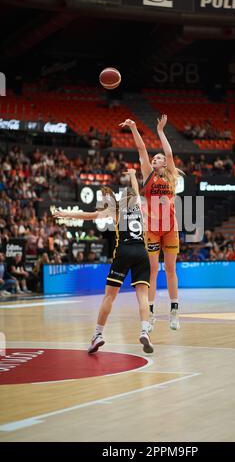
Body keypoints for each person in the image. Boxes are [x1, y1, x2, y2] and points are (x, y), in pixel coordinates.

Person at [53, 169, 153, 354]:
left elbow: (88, 216)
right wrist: (132, 174)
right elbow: (136, 189)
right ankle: (145, 330)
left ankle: (98, 334)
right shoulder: (139, 207)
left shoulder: (115, 210)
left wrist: (66, 213)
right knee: (143, 296)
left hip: (123, 251)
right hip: (141, 252)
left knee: (109, 296)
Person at [120, 115, 181, 331]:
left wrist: (161, 131)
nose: (154, 159)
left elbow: (170, 153)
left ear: (165, 162)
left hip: (170, 228)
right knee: (153, 270)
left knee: (171, 269)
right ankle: (152, 313)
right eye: (153, 159)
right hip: (153, 230)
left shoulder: (172, 175)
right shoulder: (147, 175)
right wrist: (134, 127)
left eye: (158, 158)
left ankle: (174, 310)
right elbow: (141, 148)